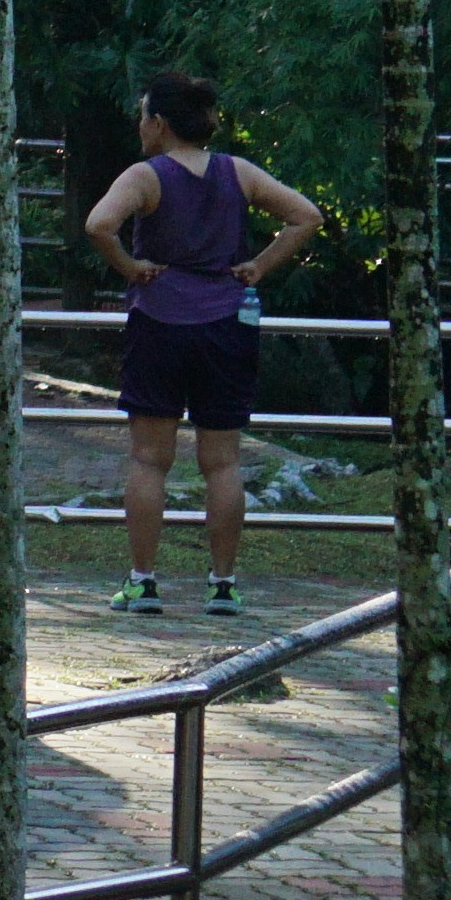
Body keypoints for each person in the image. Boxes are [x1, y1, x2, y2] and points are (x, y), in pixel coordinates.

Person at [85, 69, 319, 616]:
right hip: (225, 324)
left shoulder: (146, 177)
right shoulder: (237, 173)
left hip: (160, 321)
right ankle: (223, 585)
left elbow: (100, 224)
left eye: (144, 116)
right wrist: (258, 267)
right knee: (222, 462)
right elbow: (306, 216)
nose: (140, 126)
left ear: (159, 124)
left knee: (148, 460)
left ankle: (143, 582)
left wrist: (131, 267)